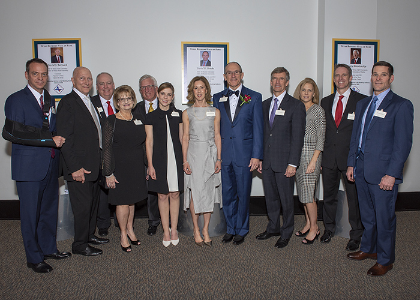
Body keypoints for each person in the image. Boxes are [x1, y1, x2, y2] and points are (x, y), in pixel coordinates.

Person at [346, 61, 414, 276]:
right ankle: (369, 248)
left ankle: (385, 260)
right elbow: (355, 138)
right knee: (367, 215)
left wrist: (392, 174)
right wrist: (351, 164)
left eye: (383, 75)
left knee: (384, 218)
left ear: (391, 78)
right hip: (361, 169)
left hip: (384, 173)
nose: (378, 78)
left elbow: (403, 145)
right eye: (375, 74)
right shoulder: (363, 104)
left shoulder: (401, 105)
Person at [3, 58, 70, 273]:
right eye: (35, 74)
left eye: (43, 74)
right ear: (26, 75)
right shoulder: (16, 100)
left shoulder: (49, 99)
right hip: (29, 168)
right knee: (30, 215)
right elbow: (15, 134)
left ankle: (48, 248)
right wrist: (49, 140)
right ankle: (33, 257)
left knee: (49, 211)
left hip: (50, 163)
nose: (40, 78)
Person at [57, 66, 109, 257]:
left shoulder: (89, 101)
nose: (86, 82)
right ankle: (79, 244)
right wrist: (74, 168)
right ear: (73, 81)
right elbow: (64, 139)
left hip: (93, 166)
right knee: (82, 208)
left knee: (92, 205)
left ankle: (88, 235)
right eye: (82, 79)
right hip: (79, 168)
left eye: (88, 79)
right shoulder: (68, 103)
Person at [213, 62, 263, 245]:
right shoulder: (217, 97)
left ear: (242, 75)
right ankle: (231, 228)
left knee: (243, 193)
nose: (233, 75)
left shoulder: (254, 97)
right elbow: (215, 129)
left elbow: (258, 129)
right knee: (227, 194)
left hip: (245, 155)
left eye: (236, 72)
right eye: (229, 73)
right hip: (224, 155)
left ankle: (242, 229)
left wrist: (257, 156)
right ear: (224, 76)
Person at [256, 67, 305, 249]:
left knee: (286, 199)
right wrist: (260, 158)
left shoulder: (296, 105)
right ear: (270, 82)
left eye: (281, 79)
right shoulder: (264, 104)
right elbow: (262, 134)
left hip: (285, 163)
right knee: (270, 198)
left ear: (287, 82)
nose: (277, 82)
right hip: (267, 161)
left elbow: (297, 137)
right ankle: (273, 227)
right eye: (274, 79)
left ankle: (286, 231)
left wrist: (293, 163)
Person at [320, 64, 366, 250]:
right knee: (329, 196)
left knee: (354, 198)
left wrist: (356, 161)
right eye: (337, 75)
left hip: (350, 160)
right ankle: (328, 228)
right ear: (333, 78)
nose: (340, 78)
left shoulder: (362, 101)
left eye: (344, 75)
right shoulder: (325, 101)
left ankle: (356, 234)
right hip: (329, 158)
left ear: (350, 77)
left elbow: (363, 133)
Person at [102, 85, 147, 252]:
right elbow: (106, 148)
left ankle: (130, 229)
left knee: (132, 200)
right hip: (119, 167)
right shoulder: (111, 121)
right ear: (117, 103)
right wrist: (108, 173)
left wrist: (147, 166)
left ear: (133, 101)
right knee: (122, 202)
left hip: (136, 167)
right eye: (122, 99)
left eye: (129, 98)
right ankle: (122, 233)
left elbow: (143, 145)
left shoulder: (139, 119)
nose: (126, 101)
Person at [182, 76, 222, 247]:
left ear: (207, 90)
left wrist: (219, 158)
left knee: (208, 192)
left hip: (210, 154)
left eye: (202, 87)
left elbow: (218, 136)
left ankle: (205, 229)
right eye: (196, 88)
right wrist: (184, 160)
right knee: (195, 192)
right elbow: (185, 137)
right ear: (192, 91)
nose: (199, 91)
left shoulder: (215, 111)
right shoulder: (187, 113)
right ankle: (196, 231)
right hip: (194, 154)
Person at [145, 82, 183, 247]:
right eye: (163, 94)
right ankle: (165, 231)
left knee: (174, 194)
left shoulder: (179, 114)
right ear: (157, 95)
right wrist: (150, 165)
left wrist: (185, 161)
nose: (166, 97)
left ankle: (174, 229)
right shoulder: (150, 116)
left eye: (169, 94)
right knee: (162, 195)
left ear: (173, 97)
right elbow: (149, 143)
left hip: (176, 160)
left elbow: (182, 140)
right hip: (159, 161)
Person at [292, 78, 326, 244]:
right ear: (299, 92)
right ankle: (308, 223)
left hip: (311, 155)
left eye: (309, 90)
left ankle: (315, 228)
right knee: (304, 193)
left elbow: (321, 137)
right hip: (298, 156)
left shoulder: (318, 110)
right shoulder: (297, 108)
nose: (306, 93)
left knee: (309, 196)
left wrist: (314, 161)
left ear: (314, 93)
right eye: (303, 90)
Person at [132, 74, 160, 236]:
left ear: (156, 88)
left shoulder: (166, 105)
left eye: (149, 86)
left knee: (166, 191)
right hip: (143, 157)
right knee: (150, 192)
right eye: (143, 87)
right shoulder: (135, 109)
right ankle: (153, 221)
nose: (147, 90)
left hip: (164, 155)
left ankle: (170, 220)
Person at [91, 72, 116, 236]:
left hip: (120, 152)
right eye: (101, 84)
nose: (105, 87)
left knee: (120, 187)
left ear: (113, 85)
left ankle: (123, 222)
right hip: (99, 152)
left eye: (108, 83)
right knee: (103, 190)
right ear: (97, 86)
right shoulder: (90, 103)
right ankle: (103, 224)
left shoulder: (122, 100)